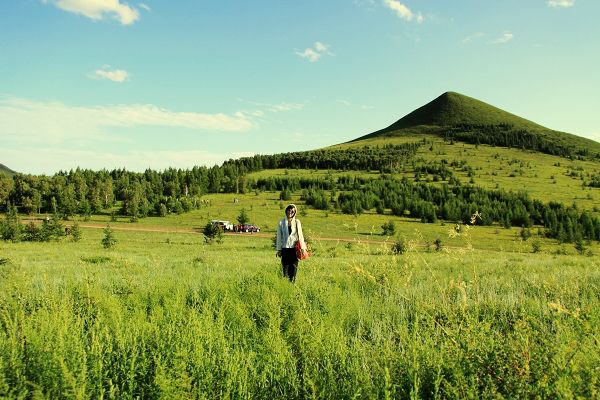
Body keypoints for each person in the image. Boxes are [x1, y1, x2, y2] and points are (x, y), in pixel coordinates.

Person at [276, 204, 307, 283]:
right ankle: (286, 287)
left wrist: (303, 248)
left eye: (292, 211)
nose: (290, 212)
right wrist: (279, 250)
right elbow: (279, 237)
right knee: (285, 272)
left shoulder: (297, 222)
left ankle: (292, 286)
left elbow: (300, 236)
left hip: (294, 250)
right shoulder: (281, 222)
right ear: (286, 211)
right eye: (289, 210)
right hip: (285, 250)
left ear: (295, 212)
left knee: (293, 272)